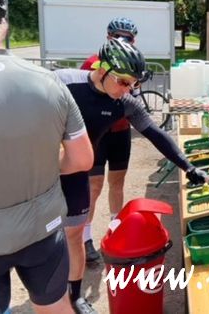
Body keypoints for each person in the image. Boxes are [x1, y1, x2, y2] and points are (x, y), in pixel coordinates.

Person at [56, 38, 209, 313]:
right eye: (124, 82)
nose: (128, 89)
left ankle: (75, 296)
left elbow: (154, 133)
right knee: (39, 239)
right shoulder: (63, 82)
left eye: (134, 84)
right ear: (102, 69)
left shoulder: (124, 101)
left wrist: (188, 166)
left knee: (74, 236)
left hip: (76, 171)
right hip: (44, 170)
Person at [0, 0, 94, 314]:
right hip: (42, 229)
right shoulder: (48, 82)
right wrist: (43, 165)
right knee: (55, 306)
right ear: (5, 25)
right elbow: (82, 159)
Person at [80, 17, 138, 262]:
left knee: (117, 183)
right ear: (108, 37)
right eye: (117, 36)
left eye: (128, 37)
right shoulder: (93, 62)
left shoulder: (134, 61)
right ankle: (85, 238)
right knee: (93, 186)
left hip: (121, 131)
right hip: (97, 134)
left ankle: (116, 230)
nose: (123, 40)